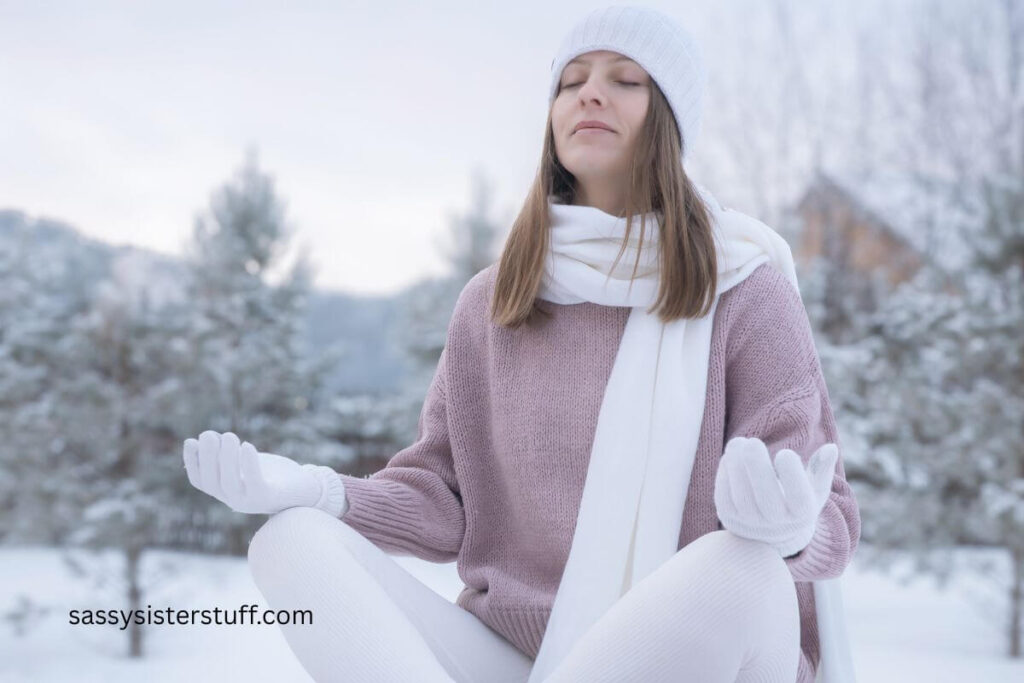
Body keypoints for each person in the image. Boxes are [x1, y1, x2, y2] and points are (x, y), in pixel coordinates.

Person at [183, 5, 861, 682]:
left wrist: (789, 527)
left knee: (741, 566)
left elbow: (830, 514)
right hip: (514, 658)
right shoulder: (495, 299)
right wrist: (316, 489)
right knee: (291, 540)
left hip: (683, 653)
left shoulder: (744, 287)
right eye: (571, 81)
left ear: (670, 120)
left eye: (626, 79)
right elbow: (442, 497)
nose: (590, 92)